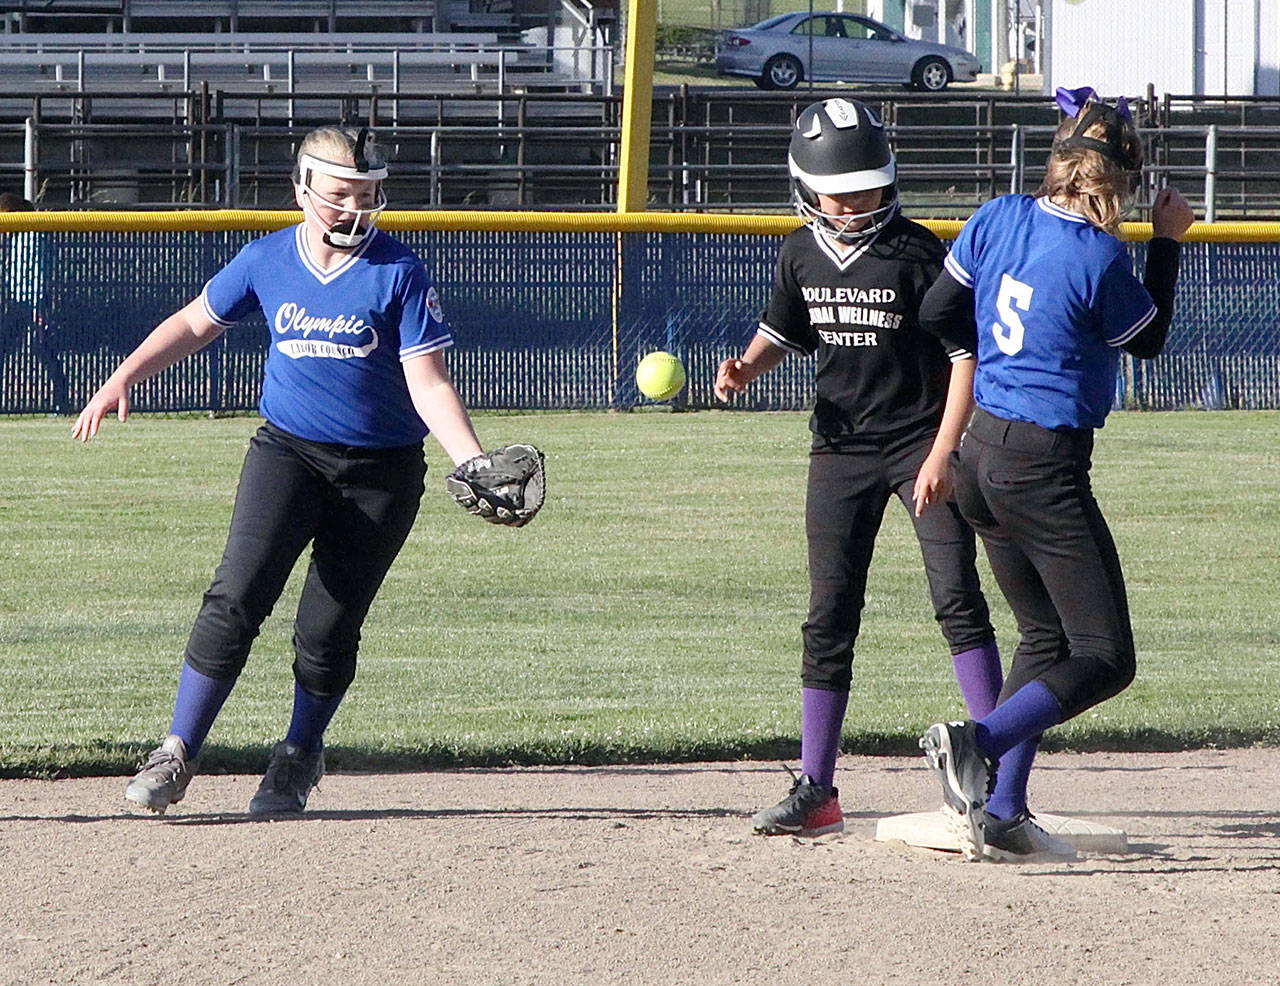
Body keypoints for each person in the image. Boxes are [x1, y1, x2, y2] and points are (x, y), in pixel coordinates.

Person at [73, 126, 535, 816]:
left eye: (368, 195)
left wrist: (467, 457)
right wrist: (123, 376)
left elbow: (428, 382)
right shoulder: (267, 259)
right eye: (341, 194)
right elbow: (197, 322)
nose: (355, 208)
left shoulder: (398, 271)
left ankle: (296, 757)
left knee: (327, 628)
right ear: (303, 190)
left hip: (381, 472)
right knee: (235, 597)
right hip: (287, 453)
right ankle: (176, 750)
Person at [916, 87, 1195, 861]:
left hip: (978, 454)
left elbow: (941, 310)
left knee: (1044, 637)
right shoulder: (1101, 254)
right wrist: (1167, 241)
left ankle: (1001, 810)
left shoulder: (999, 214)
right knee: (1106, 656)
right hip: (1043, 466)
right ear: (1121, 179)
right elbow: (1146, 342)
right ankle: (974, 742)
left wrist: (983, 361)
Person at [714, 97, 1004, 838]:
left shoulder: (919, 252)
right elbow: (786, 328)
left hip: (921, 445)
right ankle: (817, 789)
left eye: (870, 186)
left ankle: (997, 779)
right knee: (829, 614)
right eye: (841, 192)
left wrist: (942, 452)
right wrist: (749, 366)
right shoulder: (800, 252)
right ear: (806, 188)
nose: (857, 202)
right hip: (839, 450)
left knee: (957, 597)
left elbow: (964, 357)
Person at [0, 192, 67, 412]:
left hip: (30, 302)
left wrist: (38, 307)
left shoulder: (32, 236)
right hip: (18, 300)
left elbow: (38, 272)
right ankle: (60, 401)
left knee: (43, 350)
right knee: (36, 349)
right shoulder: (19, 237)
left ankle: (61, 401)